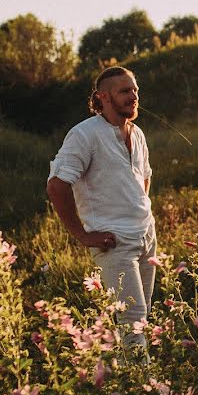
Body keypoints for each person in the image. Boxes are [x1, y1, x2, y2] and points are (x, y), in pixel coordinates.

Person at [46, 66, 156, 355]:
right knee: (133, 323)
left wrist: (138, 211)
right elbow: (57, 186)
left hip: (146, 236)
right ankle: (141, 394)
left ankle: (123, 388)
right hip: (114, 242)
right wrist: (83, 235)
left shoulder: (138, 133)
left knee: (139, 322)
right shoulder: (85, 135)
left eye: (135, 90)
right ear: (102, 97)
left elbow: (144, 176)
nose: (133, 96)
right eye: (124, 91)